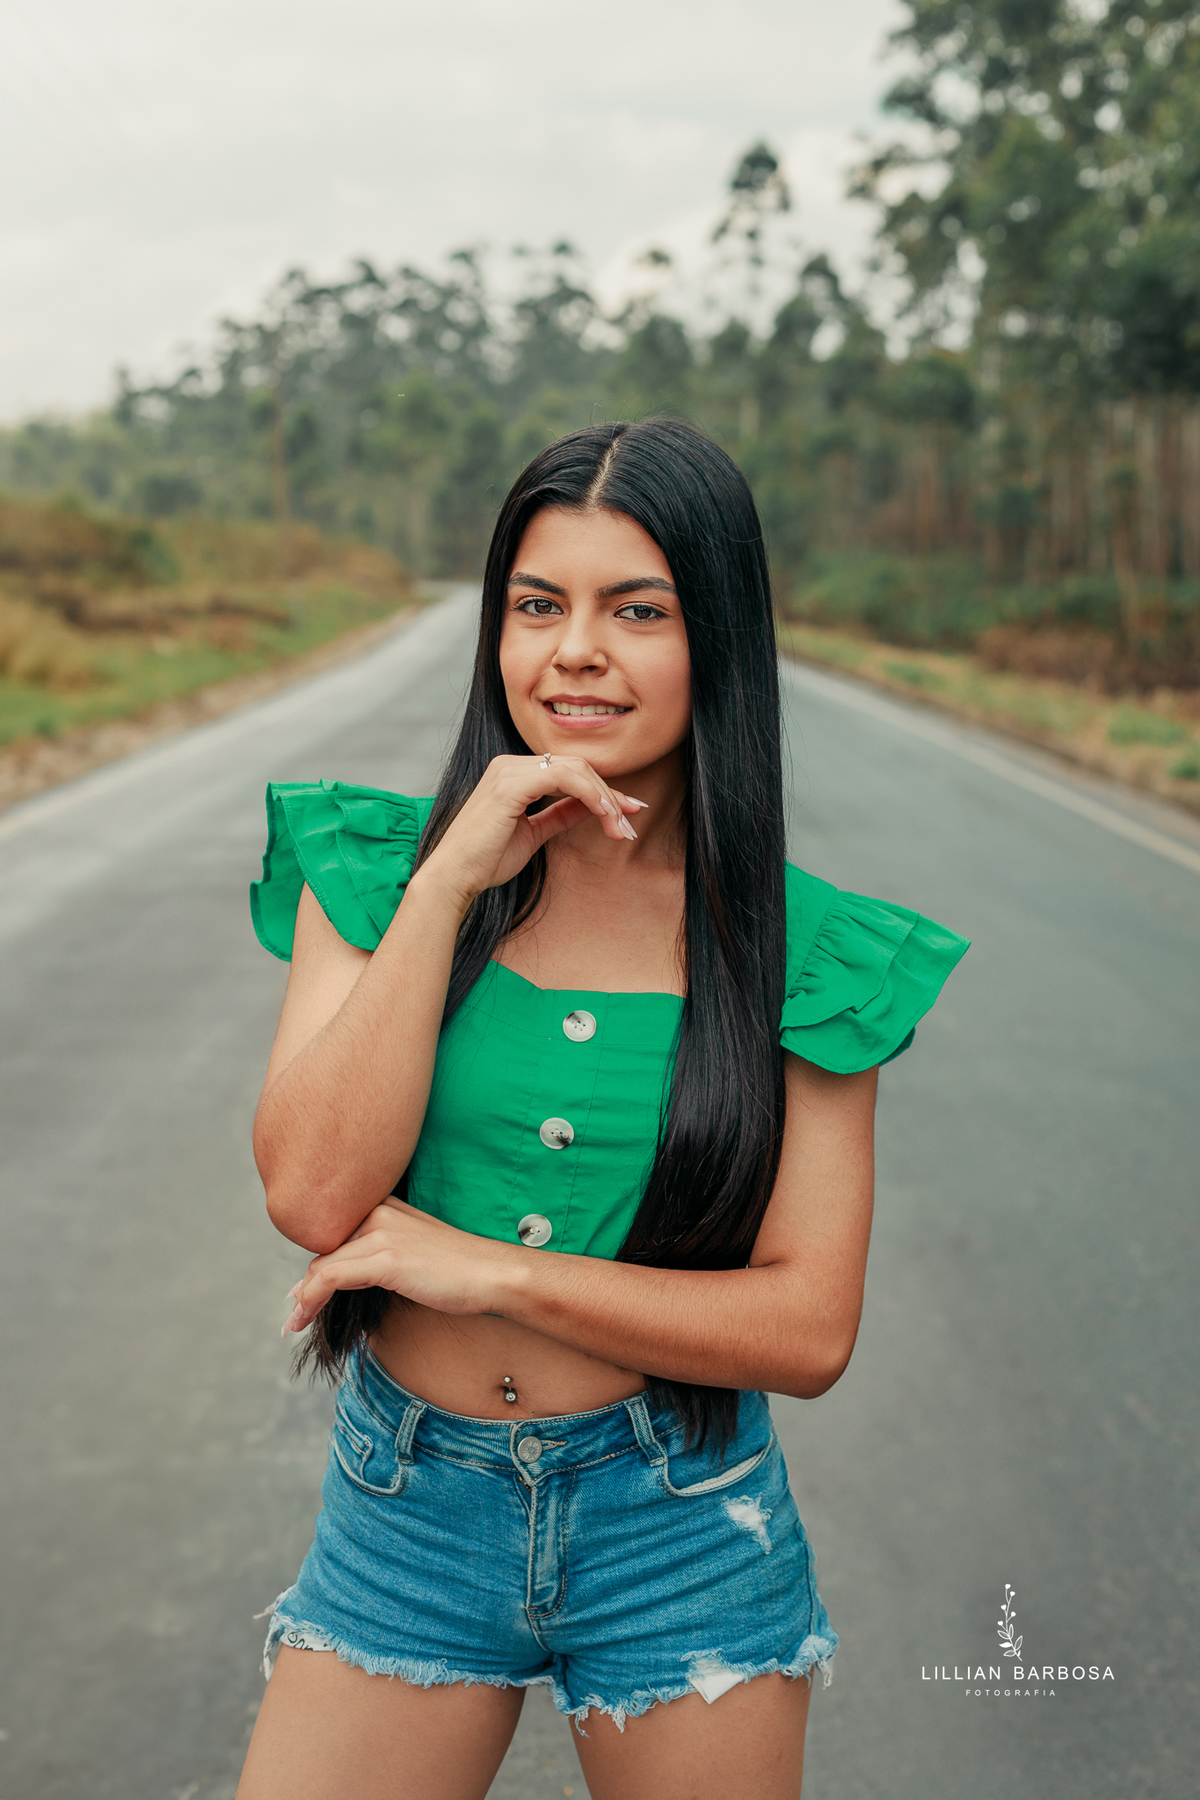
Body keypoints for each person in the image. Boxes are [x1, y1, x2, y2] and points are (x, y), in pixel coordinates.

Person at [236, 418, 968, 1800]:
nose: (575, 650)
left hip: (680, 1522)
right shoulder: (381, 869)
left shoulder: (803, 957)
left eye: (638, 610)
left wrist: (498, 1271)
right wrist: (457, 873)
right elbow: (314, 1197)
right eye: (537, 605)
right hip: (407, 1513)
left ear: (722, 641)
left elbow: (806, 1330)